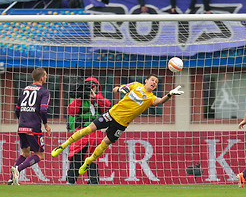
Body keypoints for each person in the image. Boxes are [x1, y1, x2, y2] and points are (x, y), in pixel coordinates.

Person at [51, 74, 184, 176]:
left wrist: (169, 94)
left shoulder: (150, 98)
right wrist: (121, 89)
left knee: (104, 143)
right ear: (146, 81)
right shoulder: (136, 85)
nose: (154, 82)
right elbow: (116, 89)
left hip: (121, 125)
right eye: (152, 80)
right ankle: (62, 146)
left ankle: (88, 162)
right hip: (112, 114)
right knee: (88, 129)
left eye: (156, 82)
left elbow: (160, 101)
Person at [9, 67, 51, 185]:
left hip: (22, 126)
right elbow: (43, 110)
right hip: (34, 127)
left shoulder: (24, 90)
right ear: (42, 78)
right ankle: (18, 169)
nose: (46, 78)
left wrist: (23, 120)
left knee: (25, 153)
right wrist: (46, 124)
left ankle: (11, 179)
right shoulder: (44, 92)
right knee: (40, 155)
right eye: (46, 76)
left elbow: (17, 109)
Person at [66, 77, 111, 184]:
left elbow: (108, 107)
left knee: (92, 159)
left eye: (93, 86)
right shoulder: (78, 99)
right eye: (89, 87)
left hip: (95, 135)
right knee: (76, 158)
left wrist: (96, 98)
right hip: (81, 134)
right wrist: (79, 97)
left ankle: (93, 181)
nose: (91, 89)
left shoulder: (99, 98)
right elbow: (71, 111)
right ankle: (71, 181)